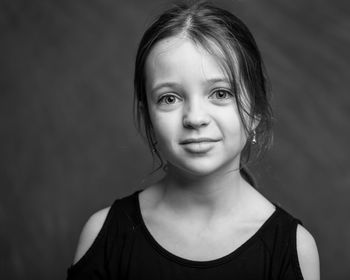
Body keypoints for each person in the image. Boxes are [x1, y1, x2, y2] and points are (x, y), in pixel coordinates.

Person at [67, 1, 320, 279]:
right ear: (147, 115)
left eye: (221, 93)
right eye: (169, 98)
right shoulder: (103, 238)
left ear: (256, 111)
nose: (195, 118)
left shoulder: (293, 249)